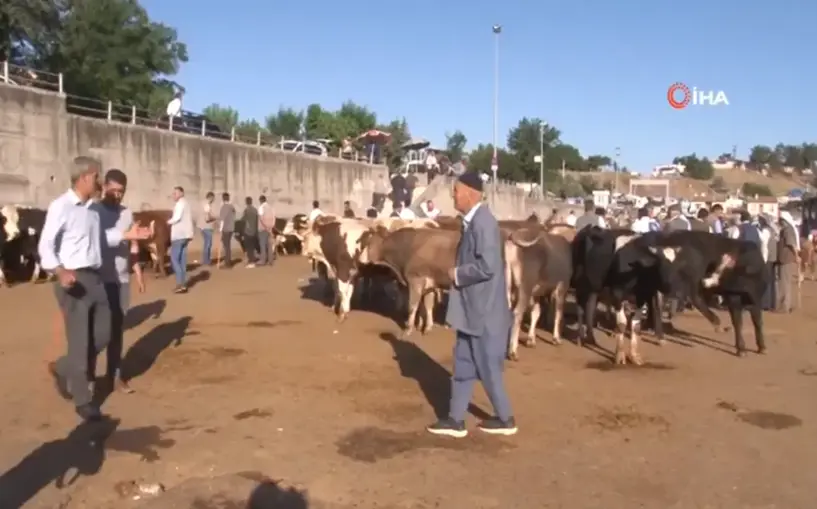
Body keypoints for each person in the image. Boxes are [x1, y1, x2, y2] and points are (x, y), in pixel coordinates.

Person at [39, 156, 149, 421]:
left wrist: (129, 235)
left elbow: (103, 239)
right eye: (98, 177)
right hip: (73, 280)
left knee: (107, 332)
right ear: (86, 177)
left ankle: (63, 367)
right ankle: (83, 400)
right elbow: (45, 246)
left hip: (96, 279)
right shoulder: (61, 207)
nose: (100, 182)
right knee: (80, 342)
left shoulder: (92, 210)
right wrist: (60, 271)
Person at [427, 172, 516, 438]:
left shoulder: (483, 223)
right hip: (470, 310)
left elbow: (488, 266)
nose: (453, 195)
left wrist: (458, 274)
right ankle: (455, 420)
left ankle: (506, 418)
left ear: (470, 193)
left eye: (456, 190)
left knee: (488, 368)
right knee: (463, 365)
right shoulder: (473, 222)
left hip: (484, 312)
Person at [90, 169, 145, 395]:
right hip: (99, 279)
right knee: (99, 331)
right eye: (114, 190)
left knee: (116, 331)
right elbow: (95, 241)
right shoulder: (93, 212)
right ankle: (83, 373)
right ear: (104, 187)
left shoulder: (126, 213)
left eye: (121, 191)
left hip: (121, 280)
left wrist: (138, 272)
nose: (118, 195)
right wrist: (126, 236)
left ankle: (115, 375)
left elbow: (132, 246)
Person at [168, 186, 194, 293]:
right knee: (182, 260)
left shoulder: (180, 204)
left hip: (179, 235)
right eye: (173, 193)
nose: (173, 195)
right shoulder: (186, 203)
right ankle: (183, 284)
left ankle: (180, 283)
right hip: (186, 235)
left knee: (174, 259)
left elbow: (176, 218)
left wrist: (167, 222)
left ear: (181, 193)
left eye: (176, 193)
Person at [777, 211, 800, 313]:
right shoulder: (786, 229)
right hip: (784, 258)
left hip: (786, 258)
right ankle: (785, 305)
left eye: (781, 220)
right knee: (785, 282)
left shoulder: (787, 230)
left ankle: (785, 306)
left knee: (784, 283)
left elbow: (792, 244)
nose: (779, 222)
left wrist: (796, 256)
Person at [757, 215, 777, 311]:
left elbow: (764, 245)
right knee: (771, 282)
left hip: (767, 258)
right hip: (773, 258)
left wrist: (762, 259)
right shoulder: (773, 230)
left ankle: (765, 303)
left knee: (765, 281)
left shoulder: (765, 231)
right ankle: (771, 302)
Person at [240, 196, 259, 268]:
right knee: (253, 246)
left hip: (248, 231)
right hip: (254, 230)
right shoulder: (255, 210)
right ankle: (252, 259)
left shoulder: (246, 210)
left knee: (249, 247)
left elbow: (243, 220)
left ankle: (251, 262)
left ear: (246, 202)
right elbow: (257, 220)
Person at [219, 193, 236, 268]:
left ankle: (227, 263)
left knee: (226, 246)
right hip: (231, 228)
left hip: (226, 228)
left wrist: (220, 228)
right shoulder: (232, 207)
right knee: (227, 245)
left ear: (223, 198)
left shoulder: (224, 207)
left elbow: (222, 219)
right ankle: (227, 261)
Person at [257, 195, 275, 266]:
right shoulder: (270, 207)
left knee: (262, 245)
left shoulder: (261, 207)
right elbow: (274, 218)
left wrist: (266, 226)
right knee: (269, 245)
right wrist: (271, 227)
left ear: (261, 200)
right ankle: (271, 260)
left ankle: (263, 260)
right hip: (270, 228)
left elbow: (261, 219)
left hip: (263, 228)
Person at [200, 191, 216, 266]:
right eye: (213, 198)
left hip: (202, 227)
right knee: (208, 244)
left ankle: (205, 260)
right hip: (207, 227)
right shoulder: (207, 205)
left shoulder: (203, 203)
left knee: (206, 243)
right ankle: (206, 260)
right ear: (211, 197)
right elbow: (207, 218)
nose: (213, 200)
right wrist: (214, 218)